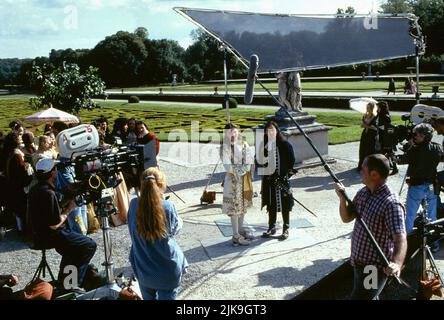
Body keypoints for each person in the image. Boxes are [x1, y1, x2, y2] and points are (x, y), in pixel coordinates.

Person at [335, 154, 407, 300]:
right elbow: (346, 218)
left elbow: (400, 238)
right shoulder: (364, 192)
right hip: (358, 262)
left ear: (374, 174)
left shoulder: (391, 204)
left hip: (373, 268)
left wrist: (397, 263)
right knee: (370, 297)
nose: (360, 172)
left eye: (363, 169)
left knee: (361, 298)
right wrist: (342, 199)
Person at [28, 158, 97, 291]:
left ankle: (65, 281)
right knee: (88, 245)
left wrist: (70, 196)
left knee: (73, 249)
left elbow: (50, 209)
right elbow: (54, 224)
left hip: (41, 234)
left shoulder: (36, 189)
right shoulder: (48, 193)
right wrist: (70, 208)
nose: (57, 172)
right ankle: (73, 285)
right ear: (52, 173)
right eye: (55, 169)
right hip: (52, 234)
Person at [127, 167, 188, 300]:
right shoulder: (167, 206)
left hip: (143, 269)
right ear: (161, 185)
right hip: (167, 271)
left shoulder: (133, 205)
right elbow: (174, 229)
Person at [396, 123, 442, 252]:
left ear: (425, 136)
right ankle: (434, 244)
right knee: (432, 215)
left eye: (418, 135)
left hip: (417, 186)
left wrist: (408, 147)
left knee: (410, 215)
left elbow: (402, 160)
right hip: (432, 185)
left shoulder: (415, 150)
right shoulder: (437, 148)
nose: (415, 136)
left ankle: (405, 245)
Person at [260, 121, 295, 240]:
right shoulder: (264, 146)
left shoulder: (285, 145)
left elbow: (291, 161)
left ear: (277, 131)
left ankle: (286, 228)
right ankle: (271, 227)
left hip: (282, 180)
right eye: (268, 130)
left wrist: (284, 175)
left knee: (285, 204)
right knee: (271, 204)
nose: (270, 132)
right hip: (269, 182)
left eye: (272, 130)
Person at [221, 123, 254, 246]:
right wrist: (239, 171)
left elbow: (249, 159)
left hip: (244, 178)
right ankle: (235, 235)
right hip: (232, 180)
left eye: (234, 131)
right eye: (229, 132)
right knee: (234, 208)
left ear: (238, 132)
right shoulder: (225, 147)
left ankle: (241, 231)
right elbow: (227, 165)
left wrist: (244, 170)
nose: (232, 134)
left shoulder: (244, 144)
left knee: (243, 206)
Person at [357, 102, 377, 171]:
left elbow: (375, 128)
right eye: (366, 107)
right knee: (362, 149)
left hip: (371, 135)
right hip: (365, 134)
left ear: (371, 108)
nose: (367, 109)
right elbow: (362, 125)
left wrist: (367, 126)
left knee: (369, 150)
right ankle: (361, 165)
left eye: (368, 107)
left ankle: (368, 166)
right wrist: (363, 125)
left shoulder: (374, 116)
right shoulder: (365, 116)